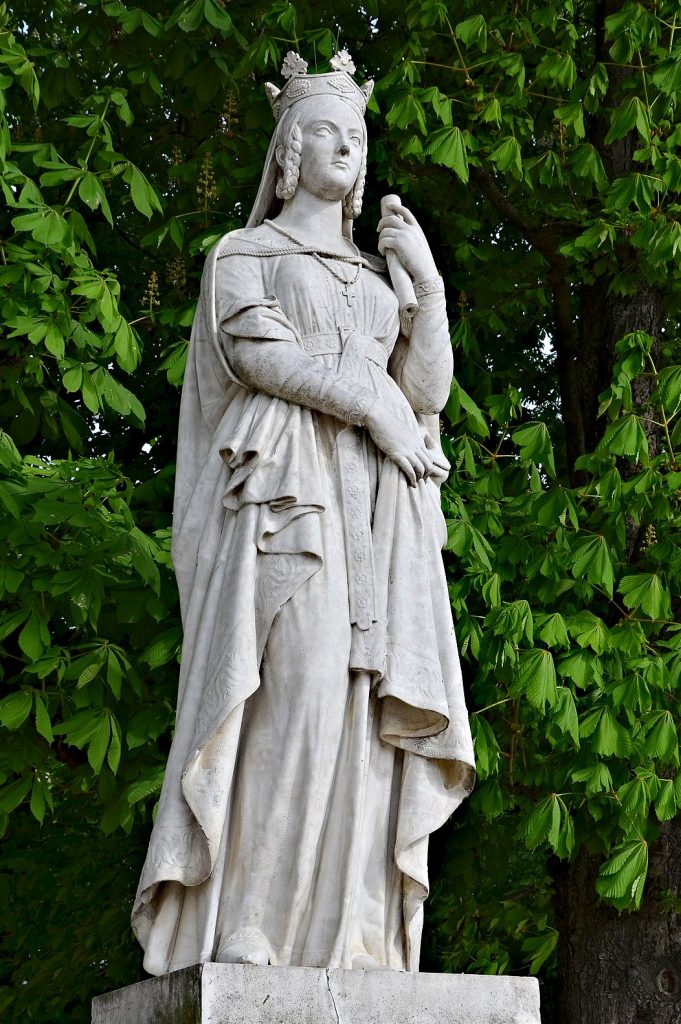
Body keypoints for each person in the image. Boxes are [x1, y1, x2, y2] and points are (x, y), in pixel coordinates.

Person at [132, 50, 474, 977]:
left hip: (380, 512)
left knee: (367, 717)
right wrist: (373, 407)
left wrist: (426, 289)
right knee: (299, 690)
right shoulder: (244, 257)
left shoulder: (374, 278)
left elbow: (425, 391)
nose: (349, 147)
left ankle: (354, 932)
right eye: (328, 130)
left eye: (357, 136)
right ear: (287, 153)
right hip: (291, 497)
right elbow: (260, 361)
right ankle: (252, 919)